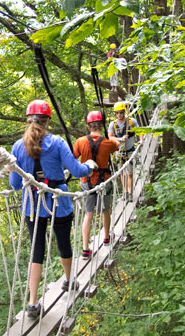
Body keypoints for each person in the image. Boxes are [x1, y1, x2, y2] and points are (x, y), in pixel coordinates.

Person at [9, 100, 97, 319]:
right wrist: (90, 166)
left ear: (28, 120)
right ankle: (68, 280)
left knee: (36, 250)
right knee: (63, 243)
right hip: (59, 201)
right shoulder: (57, 142)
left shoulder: (18, 147)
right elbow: (77, 170)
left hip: (32, 206)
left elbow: (15, 184)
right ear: (48, 120)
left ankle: (32, 303)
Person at [73, 111, 119, 259]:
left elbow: (73, 157)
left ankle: (85, 249)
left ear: (88, 126)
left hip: (86, 183)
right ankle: (106, 238)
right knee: (106, 211)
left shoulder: (80, 141)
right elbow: (116, 146)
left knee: (88, 214)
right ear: (101, 126)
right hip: (104, 182)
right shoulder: (108, 143)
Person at [108, 101, 143, 203]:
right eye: (117, 113)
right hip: (119, 152)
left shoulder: (131, 122)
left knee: (130, 173)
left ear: (124, 112)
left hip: (130, 151)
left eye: (121, 112)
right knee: (122, 173)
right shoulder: (113, 124)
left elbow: (140, 130)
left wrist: (141, 139)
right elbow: (110, 137)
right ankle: (125, 193)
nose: (119, 115)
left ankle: (130, 193)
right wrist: (120, 139)